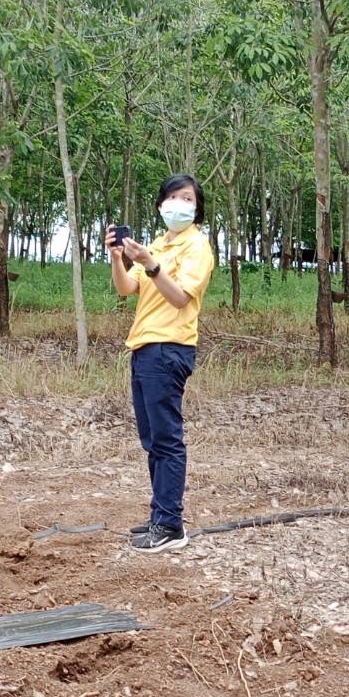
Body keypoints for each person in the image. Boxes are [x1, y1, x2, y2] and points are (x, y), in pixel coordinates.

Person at [107, 174, 214, 553]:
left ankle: (170, 524)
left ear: (197, 209)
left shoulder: (197, 246)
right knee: (152, 439)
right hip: (144, 346)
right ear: (160, 205)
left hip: (170, 348)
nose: (178, 204)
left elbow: (181, 297)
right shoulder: (156, 244)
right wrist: (118, 258)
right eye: (172, 197)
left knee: (167, 439)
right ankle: (160, 515)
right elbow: (126, 288)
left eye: (187, 198)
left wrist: (152, 265)